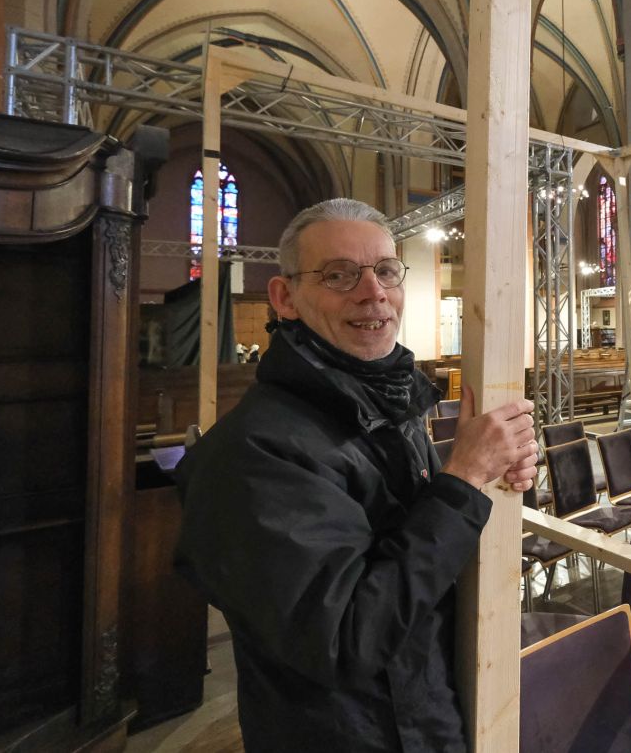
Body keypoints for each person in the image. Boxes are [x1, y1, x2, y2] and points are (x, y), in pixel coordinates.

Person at [173, 198, 540, 751]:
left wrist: (489, 477)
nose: (373, 293)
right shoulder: (253, 453)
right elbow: (345, 640)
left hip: (429, 719)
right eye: (339, 275)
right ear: (285, 297)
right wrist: (463, 482)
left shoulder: (386, 407)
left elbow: (417, 559)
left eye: (386, 271)